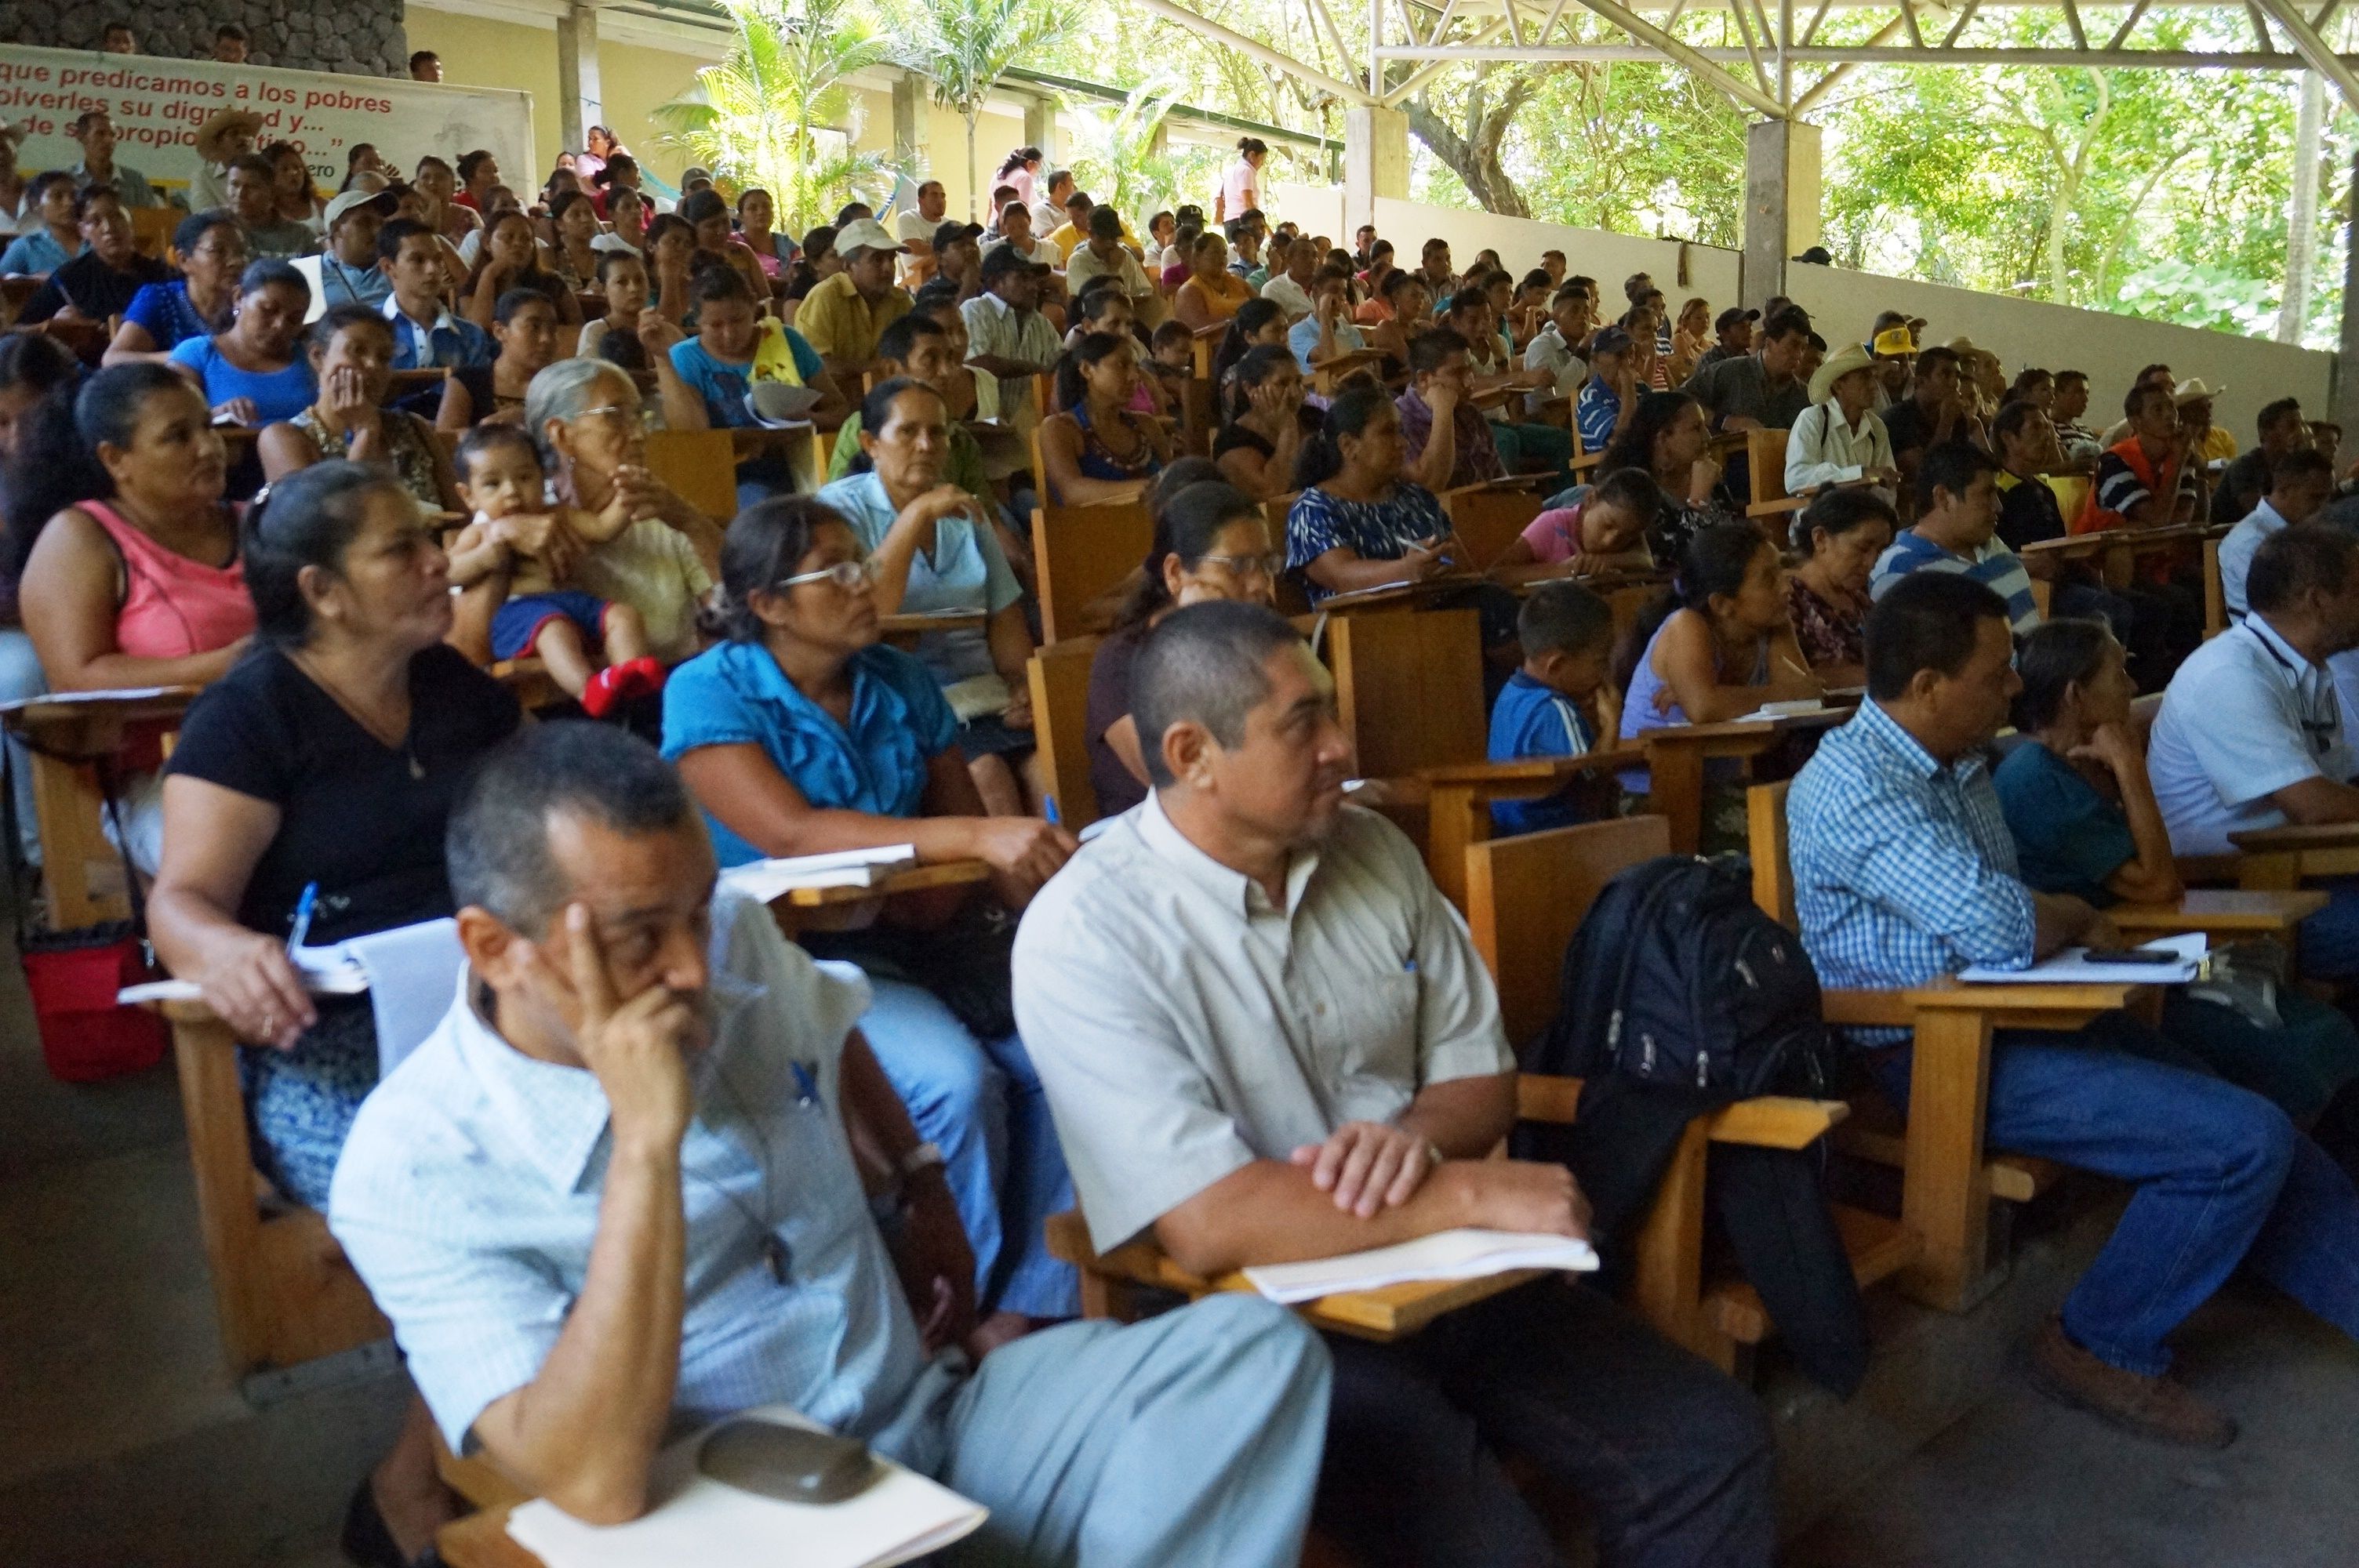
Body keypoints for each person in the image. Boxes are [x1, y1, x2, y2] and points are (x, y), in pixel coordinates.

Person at [330, 718, 1327, 1555]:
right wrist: (644, 1144)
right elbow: (592, 1478)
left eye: (695, 914)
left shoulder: (733, 935)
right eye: (637, 938)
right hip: (744, 1517)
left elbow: (829, 1022)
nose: (692, 969)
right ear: (493, 947)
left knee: (1249, 1354)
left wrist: (922, 1179)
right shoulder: (412, 1163)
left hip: (925, 1422)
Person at [1016, 600, 1777, 1566]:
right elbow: (1207, 1223)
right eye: (1304, 722)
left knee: (1711, 1446)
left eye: (1331, 711)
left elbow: (1480, 1077)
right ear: (1192, 752)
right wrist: (1465, 1190)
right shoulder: (1087, 929)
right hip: (1251, 1321)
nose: (1342, 745)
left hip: (1438, 1269)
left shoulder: (1372, 849)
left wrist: (1412, 1142)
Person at [1790, 569, 2359, 1446]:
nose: (2015, 687)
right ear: (1929, 686)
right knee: (2236, 1141)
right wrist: (2064, 915)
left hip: (2031, 1008)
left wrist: (2042, 919)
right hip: (1939, 1046)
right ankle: (2097, 1338)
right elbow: (2001, 922)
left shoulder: (1962, 766)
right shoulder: (1854, 785)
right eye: (1995, 674)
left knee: (2258, 1111)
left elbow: (2007, 912)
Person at [146, 459, 519, 1561]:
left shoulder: (452, 689)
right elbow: (181, 901)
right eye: (402, 549)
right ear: (322, 590)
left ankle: (426, 1469)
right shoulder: (251, 717)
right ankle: (442, 1477)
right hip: (325, 1039)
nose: (438, 561)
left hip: (485, 1009)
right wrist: (224, 949)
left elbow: (537, 824)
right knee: (459, 1204)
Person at [658, 495, 1092, 1329]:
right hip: (792, 958)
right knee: (955, 1085)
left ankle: (1026, 1304)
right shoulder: (707, 691)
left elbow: (971, 845)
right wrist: (974, 837)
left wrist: (1055, 895)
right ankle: (947, 1309)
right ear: (768, 603)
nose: (867, 583)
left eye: (861, 563)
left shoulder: (899, 679)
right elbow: (792, 833)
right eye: (837, 572)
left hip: (922, 936)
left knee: (1077, 1046)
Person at [1996, 617, 2359, 1156]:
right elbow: (2158, 883)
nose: (2132, 686)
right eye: (2118, 673)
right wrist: (2131, 767)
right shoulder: (2035, 776)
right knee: (2297, 1046)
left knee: (2321, 1025)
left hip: (2151, 949)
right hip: (2101, 969)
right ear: (2075, 696)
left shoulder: (2078, 766)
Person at [11, 365, 258, 867]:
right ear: (115, 459)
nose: (208, 448)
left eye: (207, 427)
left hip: (290, 749)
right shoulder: (80, 538)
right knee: (242, 860)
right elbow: (78, 679)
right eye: (178, 437)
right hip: (163, 775)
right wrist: (226, 665)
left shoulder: (254, 524)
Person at [816, 379, 1038, 812]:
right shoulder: (838, 512)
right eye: (908, 431)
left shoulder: (965, 509)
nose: (926, 445)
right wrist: (916, 515)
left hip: (986, 696)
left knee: (1049, 771)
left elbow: (1006, 618)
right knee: (987, 774)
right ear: (870, 444)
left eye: (937, 433)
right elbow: (866, 609)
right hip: (906, 699)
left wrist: (1021, 687)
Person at [2148, 525, 2359, 973]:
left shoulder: (2303, 666)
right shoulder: (2229, 674)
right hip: (2229, 888)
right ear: (2318, 601)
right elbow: (2313, 806)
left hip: (2299, 864)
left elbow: (2338, 781)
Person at [1086, 473, 1278, 818]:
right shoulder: (1121, 661)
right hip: (1160, 839)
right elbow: (1177, 778)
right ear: (1176, 573)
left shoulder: (1266, 641)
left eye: (1266, 565)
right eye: (1238, 567)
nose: (1260, 585)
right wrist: (1198, 640)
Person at [1616, 521, 1822, 831]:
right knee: (1785, 833)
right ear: (1723, 604)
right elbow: (1705, 708)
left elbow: (1806, 701)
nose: (1786, 587)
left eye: (1781, 571)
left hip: (1719, 786)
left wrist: (1725, 697)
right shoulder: (1687, 625)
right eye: (1769, 579)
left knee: (1818, 818)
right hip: (1653, 796)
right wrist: (1787, 692)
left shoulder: (1774, 626)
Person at [445, 423, 660, 715]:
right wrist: (484, 557)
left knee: (623, 615)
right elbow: (449, 572)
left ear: (542, 477)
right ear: (468, 496)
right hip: (520, 615)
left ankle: (630, 677)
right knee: (554, 629)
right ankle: (588, 690)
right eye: (493, 484)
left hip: (572, 602)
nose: (512, 492)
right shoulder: (480, 534)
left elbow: (602, 528)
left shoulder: (558, 516)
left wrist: (628, 495)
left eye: (524, 477)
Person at [525, 359, 720, 670]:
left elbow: (730, 619)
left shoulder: (661, 515)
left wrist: (693, 525)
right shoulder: (526, 525)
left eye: (639, 416)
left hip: (669, 685)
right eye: (615, 416)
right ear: (561, 434)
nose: (640, 434)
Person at [0, 334, 86, 855]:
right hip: (13, 623)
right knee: (23, 674)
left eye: (26, 421)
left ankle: (59, 849)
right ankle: (40, 853)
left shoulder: (81, 461)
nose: (13, 438)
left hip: (72, 615)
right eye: (0, 422)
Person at [260, 305, 465, 515]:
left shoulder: (413, 427)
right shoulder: (283, 438)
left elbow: (462, 515)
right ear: (318, 357)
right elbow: (320, 525)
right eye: (357, 351)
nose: (372, 365)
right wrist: (365, 432)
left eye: (384, 358)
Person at [1285, 383, 1458, 604]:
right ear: (1348, 446)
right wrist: (1405, 571)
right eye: (1387, 432)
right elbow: (1342, 575)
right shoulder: (1314, 509)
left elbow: (1456, 558)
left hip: (1446, 612)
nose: (1403, 443)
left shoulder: (1416, 497)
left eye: (1401, 431)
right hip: (1370, 621)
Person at [1488, 579, 1622, 834]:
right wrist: (1611, 725)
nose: (1605, 673)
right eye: (1600, 661)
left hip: (1513, 834)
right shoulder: (1555, 707)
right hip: (1559, 836)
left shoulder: (1510, 694)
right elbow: (1592, 785)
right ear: (1557, 665)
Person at [1870, 441, 2038, 637]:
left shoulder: (1994, 545)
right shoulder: (1898, 571)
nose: (1998, 507)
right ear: (1943, 498)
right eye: (1987, 494)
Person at [167, 260, 316, 429]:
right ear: (238, 297)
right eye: (268, 310)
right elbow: (171, 422)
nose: (280, 325)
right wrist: (213, 417)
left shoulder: (312, 360)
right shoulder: (197, 355)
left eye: (294, 319)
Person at [1599, 388, 1736, 567]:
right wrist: (1698, 501)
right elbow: (1672, 561)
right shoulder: (1638, 492)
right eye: (1696, 428)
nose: (1708, 437)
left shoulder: (1709, 480)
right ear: (1662, 438)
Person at [1038, 332, 1169, 507]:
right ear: (1087, 369)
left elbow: (1172, 480)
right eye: (1122, 365)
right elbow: (1072, 493)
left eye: (1135, 367)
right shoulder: (1061, 428)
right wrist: (1156, 487)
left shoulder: (1146, 424)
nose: (1135, 376)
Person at [102, 212, 249, 365]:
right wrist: (186, 357)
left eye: (241, 252)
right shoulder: (161, 299)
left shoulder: (250, 304)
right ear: (184, 260)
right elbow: (113, 359)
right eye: (218, 251)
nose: (236, 261)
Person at [1785, 487, 1894, 687]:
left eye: (1879, 551)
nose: (1871, 563)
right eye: (1862, 548)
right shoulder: (1787, 599)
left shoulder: (1862, 603)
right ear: (1820, 539)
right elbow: (1796, 678)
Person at [17, 186, 171, 325]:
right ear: (82, 230)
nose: (109, 228)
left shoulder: (161, 274)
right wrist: (57, 325)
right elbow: (21, 328)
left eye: (116, 216)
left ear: (131, 222)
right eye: (95, 221)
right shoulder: (69, 279)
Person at [2218, 448, 2339, 620]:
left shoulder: (2305, 529)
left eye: (2328, 498)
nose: (2324, 508)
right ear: (2284, 490)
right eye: (2316, 498)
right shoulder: (2250, 541)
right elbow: (2276, 609)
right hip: (2274, 632)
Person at [794, 216, 912, 389]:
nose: (889, 268)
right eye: (877, 259)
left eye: (891, 258)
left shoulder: (900, 301)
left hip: (888, 397)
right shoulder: (825, 297)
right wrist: (876, 368)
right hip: (834, 400)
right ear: (848, 266)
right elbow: (814, 367)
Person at [960, 244, 1062, 433]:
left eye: (1034, 279)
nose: (1033, 287)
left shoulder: (1040, 323)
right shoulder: (975, 309)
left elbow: (1059, 365)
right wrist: (1036, 369)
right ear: (995, 283)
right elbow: (977, 364)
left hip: (1028, 428)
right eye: (1023, 278)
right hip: (983, 431)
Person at [1492, 466, 1660, 579]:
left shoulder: (1628, 527)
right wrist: (1559, 570)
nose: (1610, 541)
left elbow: (1645, 561)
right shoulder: (1552, 524)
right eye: (1607, 525)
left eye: (1625, 537)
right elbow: (1497, 574)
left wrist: (1605, 561)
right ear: (1591, 499)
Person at [373, 218, 493, 371]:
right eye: (418, 260)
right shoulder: (366, 329)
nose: (432, 269)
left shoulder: (471, 336)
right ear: (388, 267)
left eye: (438, 259)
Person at [436, 288, 561, 433]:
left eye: (552, 329)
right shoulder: (467, 381)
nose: (546, 338)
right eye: (534, 327)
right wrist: (489, 428)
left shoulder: (563, 386)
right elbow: (446, 437)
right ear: (500, 331)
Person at [2083, 379, 2199, 534]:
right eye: (2158, 409)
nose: (2169, 415)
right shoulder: (2113, 461)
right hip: (2097, 546)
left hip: (2157, 544)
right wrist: (2178, 463)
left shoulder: (2180, 452)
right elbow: (2158, 520)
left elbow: (2184, 519)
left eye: (2171, 407)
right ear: (2136, 421)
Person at [1787, 342, 1898, 500]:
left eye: (1874, 378)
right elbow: (1796, 479)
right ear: (1838, 386)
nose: (1874, 386)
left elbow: (1887, 486)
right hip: (1821, 513)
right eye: (1865, 378)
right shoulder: (1813, 419)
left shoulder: (1876, 427)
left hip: (1863, 512)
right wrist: (1861, 473)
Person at [1880, 345, 1984, 497]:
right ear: (1921, 381)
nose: (1955, 383)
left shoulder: (1957, 416)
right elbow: (1925, 474)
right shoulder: (1898, 418)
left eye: (1957, 376)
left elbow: (1963, 468)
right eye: (1945, 374)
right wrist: (1946, 423)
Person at [1211, 344, 1305, 501]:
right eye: (1282, 383)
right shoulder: (1231, 443)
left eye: (1298, 382)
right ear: (1249, 388)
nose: (1295, 393)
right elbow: (1272, 492)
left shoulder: (1312, 418)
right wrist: (1288, 430)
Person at [462, 209, 580, 330]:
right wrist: (489, 274)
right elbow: (477, 331)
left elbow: (579, 329)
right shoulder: (474, 283)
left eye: (526, 239)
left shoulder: (552, 281)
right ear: (487, 243)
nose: (518, 243)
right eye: (508, 237)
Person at [2214, 397, 2312, 528]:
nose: (2302, 432)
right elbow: (2261, 516)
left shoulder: (2293, 468)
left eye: (2303, 425)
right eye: (2292, 426)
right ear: (2265, 432)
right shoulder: (2244, 467)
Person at [311, 188, 398, 311]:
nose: (377, 231)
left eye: (381, 223)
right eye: (364, 223)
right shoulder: (312, 274)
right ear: (336, 229)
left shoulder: (398, 269)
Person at [224, 152, 317, 260]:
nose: (240, 194)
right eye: (234, 185)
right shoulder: (212, 228)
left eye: (252, 187)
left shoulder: (301, 238)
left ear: (272, 192)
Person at [1064, 204, 1155, 307]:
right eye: (1103, 238)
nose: (1109, 243)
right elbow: (1096, 304)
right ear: (1091, 234)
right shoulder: (1078, 261)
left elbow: (1145, 291)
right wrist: (1113, 270)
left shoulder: (1126, 256)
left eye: (1113, 238)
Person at [66, 111, 160, 209]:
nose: (109, 140)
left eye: (113, 135)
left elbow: (151, 217)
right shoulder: (68, 180)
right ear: (81, 138)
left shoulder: (136, 181)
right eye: (100, 133)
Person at [1286, 264, 1369, 378]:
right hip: (1321, 388)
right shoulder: (1298, 331)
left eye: (1344, 292)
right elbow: (1329, 362)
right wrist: (1324, 314)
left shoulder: (1352, 333)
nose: (1341, 297)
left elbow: (1368, 370)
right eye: (1334, 290)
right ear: (1316, 291)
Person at [0, 172, 82, 280]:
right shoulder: (27, 246)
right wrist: (32, 281)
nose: (70, 203)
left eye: (75, 196)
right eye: (58, 197)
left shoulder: (96, 240)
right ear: (35, 204)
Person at [1523, 282, 1594, 404]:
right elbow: (1558, 393)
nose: (1583, 316)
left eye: (1586, 311)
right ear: (1556, 317)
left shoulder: (1593, 344)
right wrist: (1582, 351)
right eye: (1574, 311)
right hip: (1545, 414)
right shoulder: (1541, 345)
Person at [1574, 324, 1640, 453]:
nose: (1628, 362)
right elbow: (1621, 439)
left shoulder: (1640, 388)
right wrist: (1628, 385)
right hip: (1613, 463)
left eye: (1631, 354)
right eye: (1619, 355)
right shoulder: (1591, 398)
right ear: (1595, 359)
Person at [1172, 231, 1253, 331]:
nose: (1222, 258)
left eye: (1224, 254)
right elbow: (1199, 328)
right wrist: (1242, 320)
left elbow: (1262, 308)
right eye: (1215, 253)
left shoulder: (1237, 282)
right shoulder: (1188, 291)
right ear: (1197, 257)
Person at [545, 190, 602, 294]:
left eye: (589, 213)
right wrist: (588, 293)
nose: (585, 219)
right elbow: (547, 296)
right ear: (559, 224)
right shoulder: (549, 257)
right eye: (576, 215)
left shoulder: (604, 259)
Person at [1694, 307, 1757, 376]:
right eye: (1742, 327)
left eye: (1750, 326)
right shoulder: (1710, 360)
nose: (1749, 330)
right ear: (1724, 333)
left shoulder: (1752, 362)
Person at [1216, 136, 1267, 222]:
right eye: (1262, 159)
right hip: (1242, 221)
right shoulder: (1245, 171)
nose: (1262, 163)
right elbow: (1248, 203)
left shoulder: (1236, 169)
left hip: (1232, 220)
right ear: (1252, 155)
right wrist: (1263, 225)